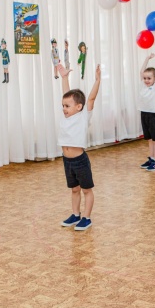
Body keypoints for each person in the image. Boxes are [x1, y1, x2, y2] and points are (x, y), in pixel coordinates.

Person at [58, 63, 101, 231]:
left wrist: (97, 80)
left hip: (80, 161)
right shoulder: (66, 117)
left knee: (86, 190)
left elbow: (91, 99)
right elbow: (66, 94)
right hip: (67, 161)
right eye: (63, 106)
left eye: (67, 106)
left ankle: (86, 218)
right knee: (74, 189)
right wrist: (64, 78)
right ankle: (75, 215)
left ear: (79, 107)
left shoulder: (83, 117)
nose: (64, 108)